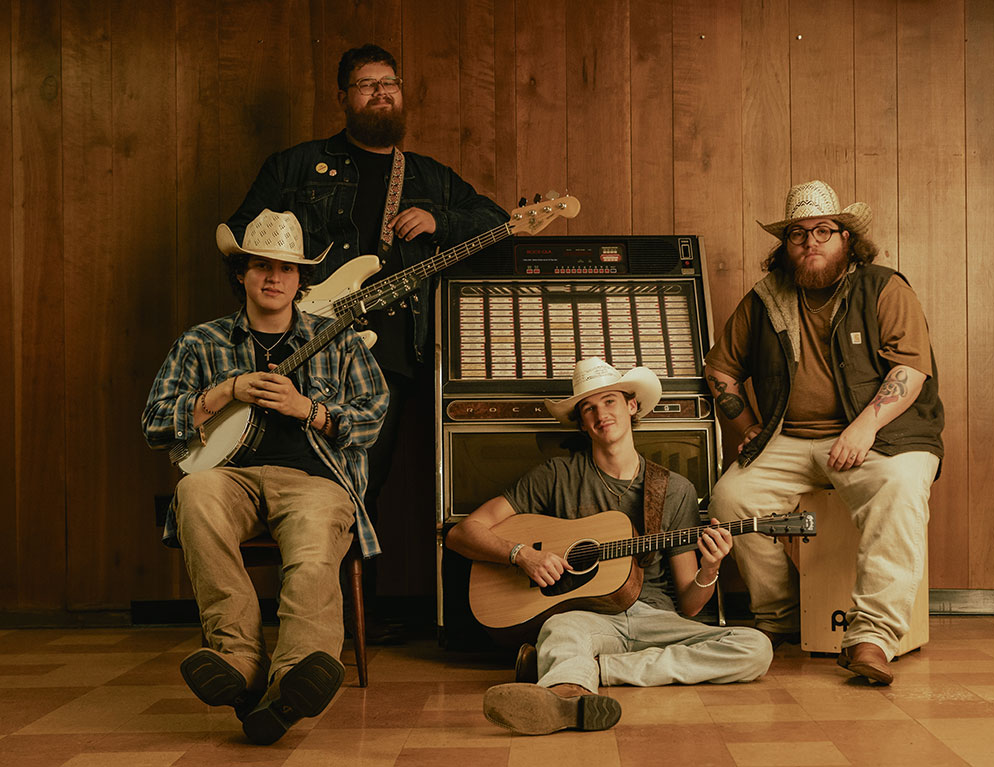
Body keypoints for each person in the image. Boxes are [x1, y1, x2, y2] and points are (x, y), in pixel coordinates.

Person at [222, 43, 509, 640]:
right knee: (307, 474)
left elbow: (498, 223)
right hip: (305, 345)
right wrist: (288, 299)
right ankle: (313, 613)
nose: (381, 93)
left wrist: (442, 222)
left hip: (390, 356)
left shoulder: (428, 177)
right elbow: (242, 240)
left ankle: (355, 617)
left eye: (389, 83)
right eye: (366, 84)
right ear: (344, 98)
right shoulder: (297, 166)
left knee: (363, 480)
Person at [141, 209, 388, 744]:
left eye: (286, 268)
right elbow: (155, 424)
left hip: (315, 481)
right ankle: (239, 658)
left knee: (313, 544)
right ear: (242, 274)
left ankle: (296, 672)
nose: (273, 278)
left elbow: (371, 418)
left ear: (301, 280)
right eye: (261, 267)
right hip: (230, 479)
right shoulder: (201, 342)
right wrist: (223, 392)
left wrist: (309, 410)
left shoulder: (338, 339)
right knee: (193, 491)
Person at [446, 358, 772, 736]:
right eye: (589, 408)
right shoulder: (556, 476)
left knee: (755, 648)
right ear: (582, 422)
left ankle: (591, 670)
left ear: (632, 406)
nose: (601, 414)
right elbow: (462, 533)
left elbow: (690, 605)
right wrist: (522, 555)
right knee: (560, 629)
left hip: (657, 620)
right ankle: (565, 697)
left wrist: (710, 568)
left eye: (610, 401)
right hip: (588, 618)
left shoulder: (674, 489)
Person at [704, 180, 944, 685]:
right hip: (788, 439)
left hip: (882, 436)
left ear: (846, 238)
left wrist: (864, 426)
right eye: (798, 234)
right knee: (731, 498)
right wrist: (746, 424)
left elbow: (910, 370)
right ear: (786, 245)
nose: (810, 242)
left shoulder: (883, 287)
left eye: (823, 231)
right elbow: (720, 369)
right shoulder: (764, 299)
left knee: (901, 487)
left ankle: (872, 636)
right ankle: (780, 616)